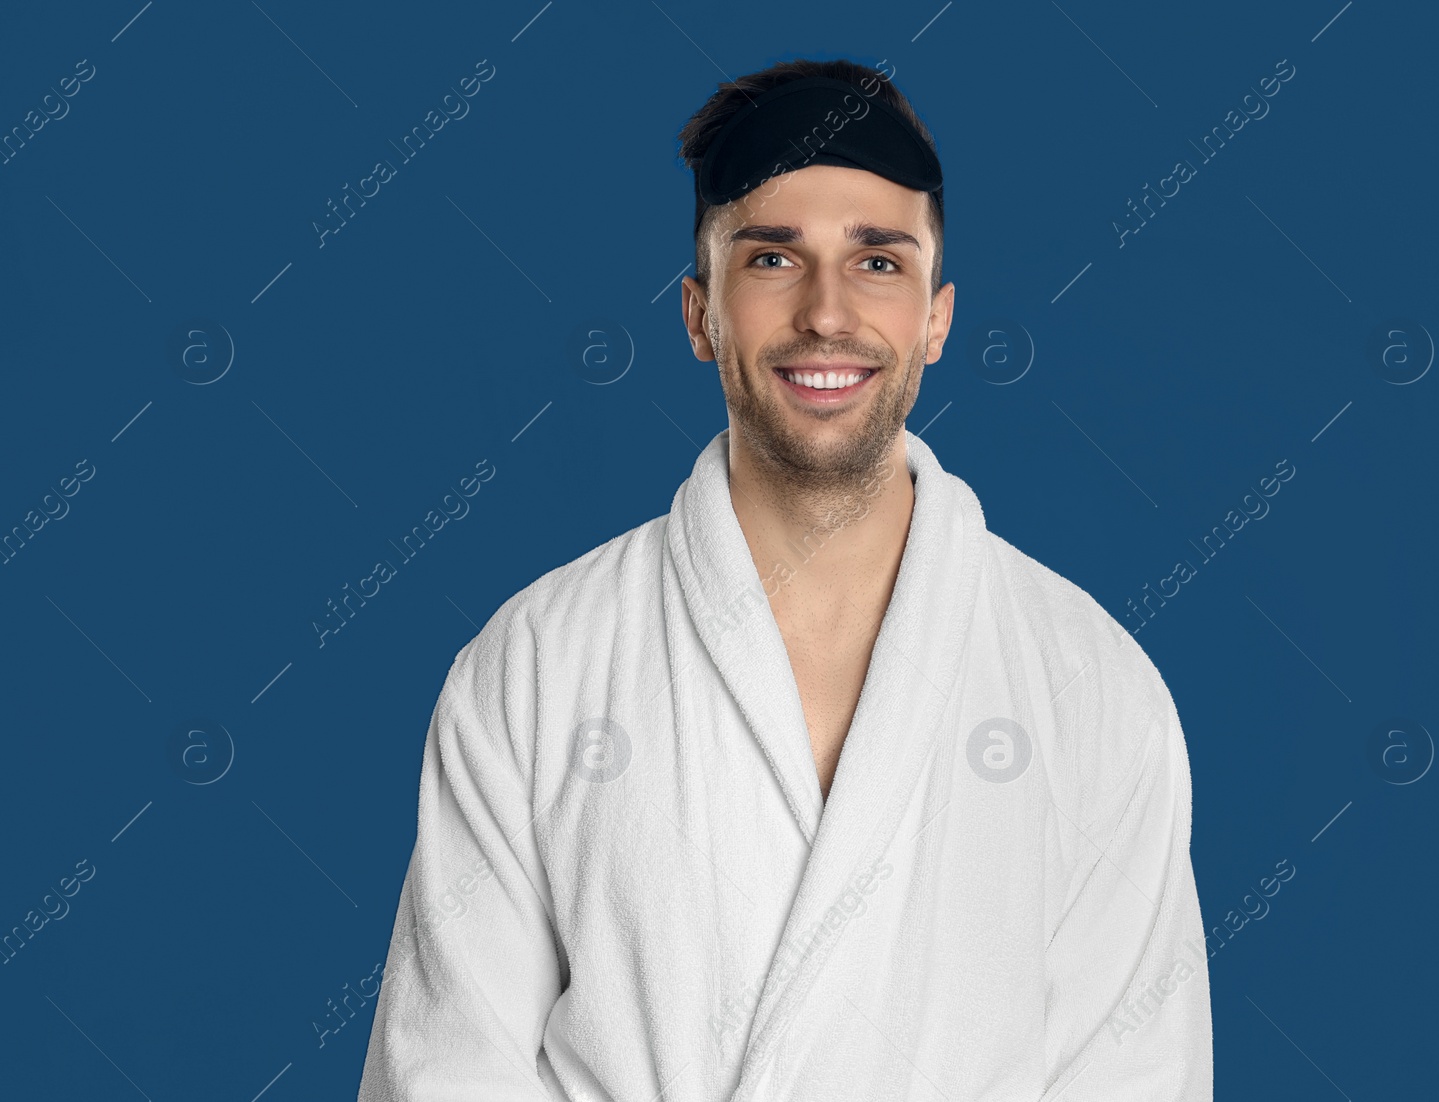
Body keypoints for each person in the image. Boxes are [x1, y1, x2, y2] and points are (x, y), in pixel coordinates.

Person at [357, 57, 1212, 1101]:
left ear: (936, 319)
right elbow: (447, 1070)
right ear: (698, 313)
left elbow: (1132, 1075)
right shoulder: (534, 666)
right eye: (771, 258)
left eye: (878, 262)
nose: (824, 313)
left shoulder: (1091, 687)